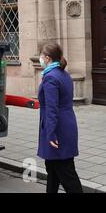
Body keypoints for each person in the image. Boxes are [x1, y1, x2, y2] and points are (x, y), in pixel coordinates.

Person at [38, 42, 83, 193]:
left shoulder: (51, 77)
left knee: (65, 172)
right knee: (53, 170)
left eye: (41, 56)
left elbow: (52, 108)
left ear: (48, 58)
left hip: (57, 129)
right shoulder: (63, 74)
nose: (40, 59)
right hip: (66, 124)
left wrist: (51, 134)